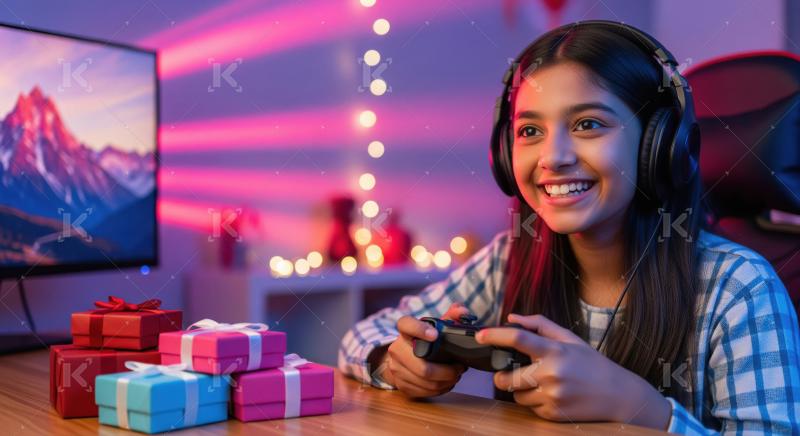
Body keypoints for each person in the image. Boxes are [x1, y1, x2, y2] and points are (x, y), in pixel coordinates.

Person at [338, 20, 800, 434]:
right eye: (530, 131)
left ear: (659, 146)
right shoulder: (511, 257)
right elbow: (361, 336)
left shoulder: (738, 288)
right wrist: (391, 362)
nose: (553, 157)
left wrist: (643, 410)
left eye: (587, 124)